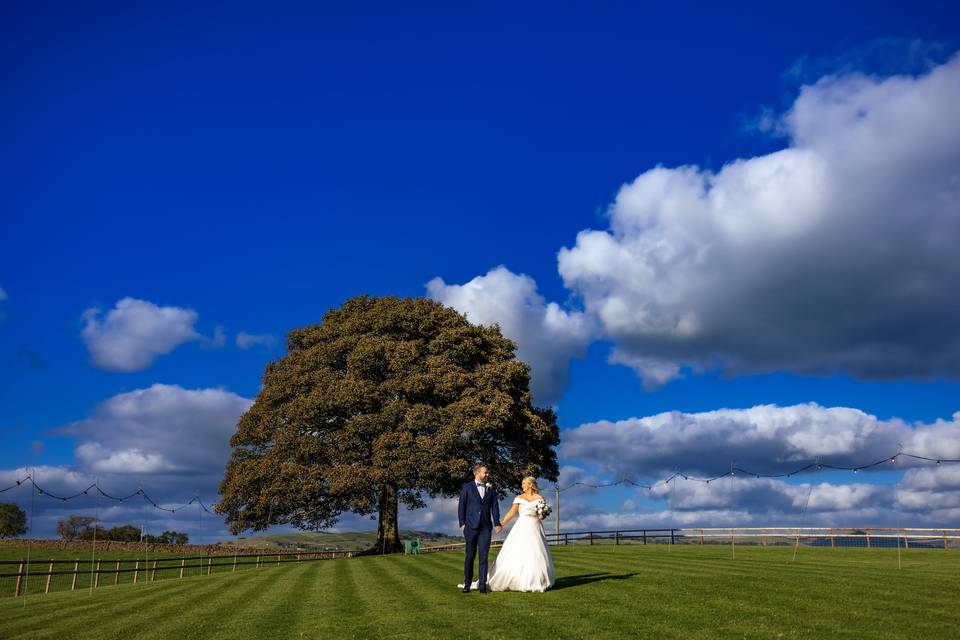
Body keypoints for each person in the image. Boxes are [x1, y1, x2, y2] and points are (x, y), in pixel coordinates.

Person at [458, 475, 555, 593]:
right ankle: (519, 580)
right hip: (522, 526)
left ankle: (539, 580)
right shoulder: (519, 498)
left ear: (530, 485)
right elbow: (511, 513)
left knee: (537, 552)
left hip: (535, 527)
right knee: (520, 552)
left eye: (524, 484)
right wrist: (501, 523)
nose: (522, 486)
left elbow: (542, 517)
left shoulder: (540, 498)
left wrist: (542, 513)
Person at [457, 463, 502, 594]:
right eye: (485, 472)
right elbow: (462, 506)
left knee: (484, 557)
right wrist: (462, 523)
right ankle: (467, 583)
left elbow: (495, 507)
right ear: (476, 473)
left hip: (485, 528)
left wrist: (497, 522)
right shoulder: (467, 487)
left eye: (488, 473)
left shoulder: (491, 489)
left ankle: (482, 585)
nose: (487, 475)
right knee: (470, 556)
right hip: (470, 527)